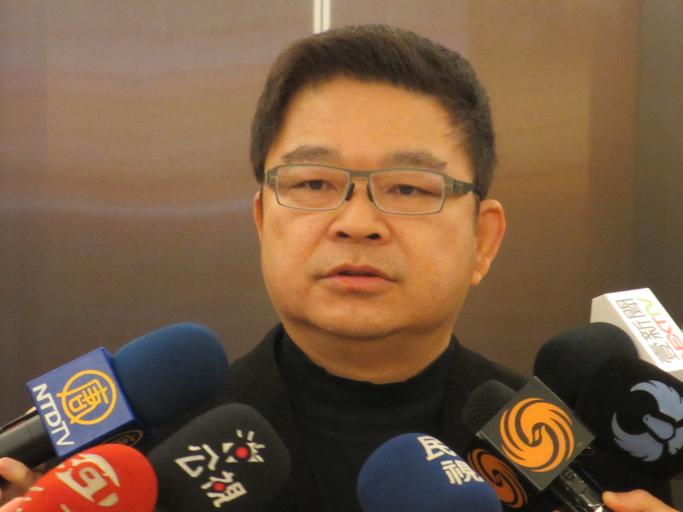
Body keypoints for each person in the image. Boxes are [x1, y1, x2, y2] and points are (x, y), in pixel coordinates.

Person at [0, 24, 677, 512]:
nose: (356, 221)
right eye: (314, 183)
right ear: (262, 220)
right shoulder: (132, 465)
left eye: (408, 187)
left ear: (483, 240)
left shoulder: (581, 467)